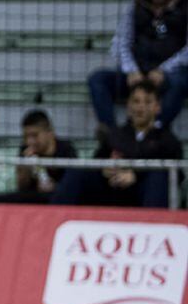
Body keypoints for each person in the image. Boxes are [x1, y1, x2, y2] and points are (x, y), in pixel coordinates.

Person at [87, 0, 187, 133]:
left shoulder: (185, 7)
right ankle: (113, 135)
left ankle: (154, 131)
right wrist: (131, 70)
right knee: (98, 80)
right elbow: (120, 42)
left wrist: (164, 70)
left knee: (181, 81)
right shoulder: (136, 6)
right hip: (137, 75)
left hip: (168, 77)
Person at [54, 80, 183, 208]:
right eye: (136, 101)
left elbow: (177, 176)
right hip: (112, 192)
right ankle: (55, 219)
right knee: (78, 171)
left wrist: (135, 175)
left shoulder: (168, 140)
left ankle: (155, 225)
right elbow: (97, 161)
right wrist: (104, 170)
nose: (141, 107)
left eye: (147, 102)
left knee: (158, 177)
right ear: (128, 105)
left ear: (157, 107)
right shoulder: (115, 135)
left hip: (144, 195)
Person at [0, 109, 77, 204]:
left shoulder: (66, 149)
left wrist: (55, 187)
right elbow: (21, 187)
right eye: (26, 136)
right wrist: (25, 168)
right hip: (33, 198)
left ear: (49, 132)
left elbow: (73, 185)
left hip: (60, 199)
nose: (29, 141)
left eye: (34, 135)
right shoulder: (25, 149)